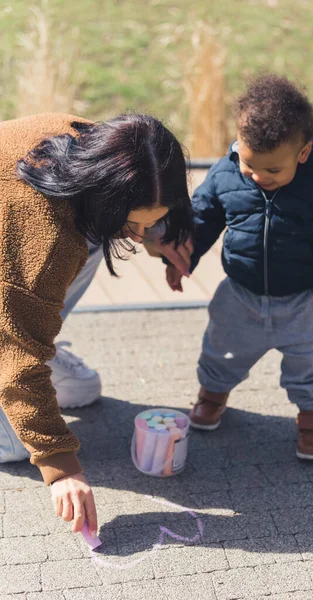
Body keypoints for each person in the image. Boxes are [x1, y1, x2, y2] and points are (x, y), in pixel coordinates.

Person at [0, 111, 193, 537]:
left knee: (81, 390)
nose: (141, 237)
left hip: (14, 275)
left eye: (151, 221)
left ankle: (31, 339)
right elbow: (18, 361)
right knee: (18, 444)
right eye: (136, 222)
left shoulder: (102, 148)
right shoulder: (43, 239)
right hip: (12, 274)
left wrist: (161, 231)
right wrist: (61, 467)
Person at [166, 73, 313, 461]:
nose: (259, 177)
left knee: (311, 360)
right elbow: (204, 216)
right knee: (221, 350)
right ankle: (212, 394)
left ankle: (312, 414)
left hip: (303, 298)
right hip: (240, 293)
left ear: (303, 153)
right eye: (249, 165)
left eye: (273, 171)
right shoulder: (227, 171)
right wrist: (183, 257)